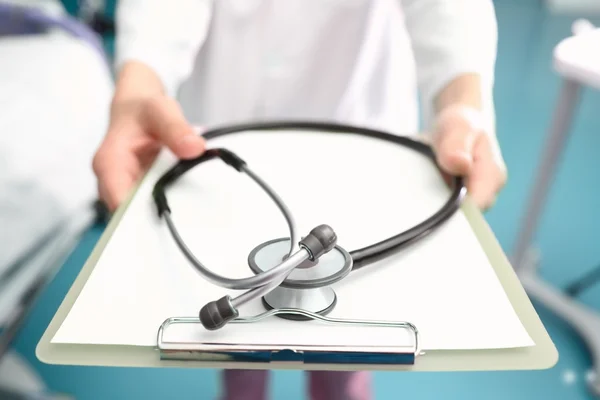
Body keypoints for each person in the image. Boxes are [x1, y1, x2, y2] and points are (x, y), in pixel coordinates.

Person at [92, 1, 507, 399]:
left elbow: (450, 8)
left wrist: (463, 106)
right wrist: (138, 89)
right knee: (241, 349)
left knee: (348, 341)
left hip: (360, 137)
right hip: (229, 139)